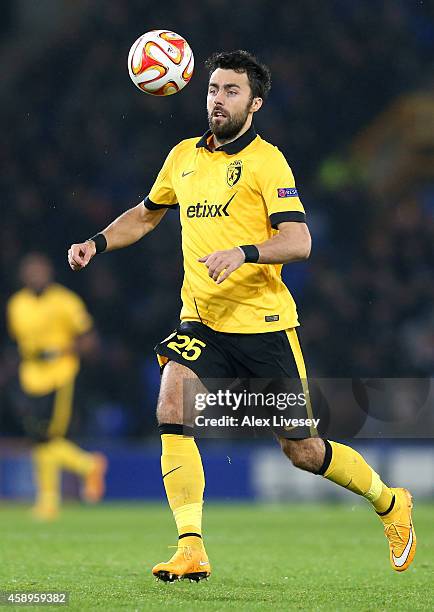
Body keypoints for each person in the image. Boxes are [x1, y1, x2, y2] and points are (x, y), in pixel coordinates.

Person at [68, 50, 416, 580]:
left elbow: (299, 241)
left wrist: (245, 252)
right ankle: (191, 547)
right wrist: (98, 242)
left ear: (254, 104)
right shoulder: (183, 155)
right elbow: (145, 215)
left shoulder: (266, 162)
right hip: (202, 320)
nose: (217, 99)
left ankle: (390, 502)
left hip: (262, 327)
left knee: (302, 450)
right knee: (171, 398)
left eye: (231, 91)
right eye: (212, 89)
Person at [7, 253, 107, 520]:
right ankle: (85, 466)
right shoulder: (16, 305)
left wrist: (61, 350)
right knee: (40, 440)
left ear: (49, 273)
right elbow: (19, 343)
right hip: (30, 378)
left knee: (47, 439)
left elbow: (90, 341)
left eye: (40, 270)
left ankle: (50, 499)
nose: (35, 275)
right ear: (23, 275)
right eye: (31, 271)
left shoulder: (65, 301)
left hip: (60, 376)